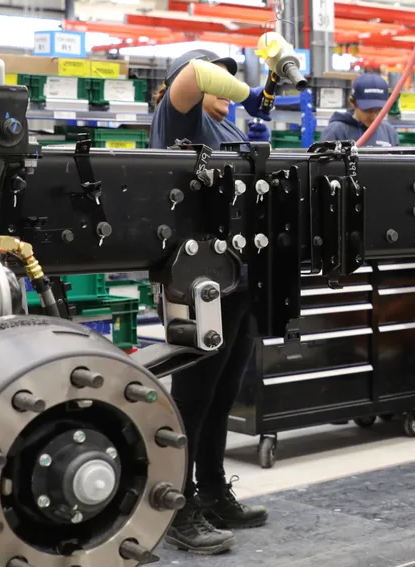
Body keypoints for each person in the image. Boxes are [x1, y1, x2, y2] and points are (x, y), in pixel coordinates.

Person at [150, 49, 272, 555]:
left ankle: (215, 491)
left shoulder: (230, 130)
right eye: (219, 78)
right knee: (193, 398)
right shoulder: (181, 117)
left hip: (235, 278)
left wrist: (263, 93)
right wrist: (253, 93)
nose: (224, 87)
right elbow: (193, 77)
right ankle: (176, 508)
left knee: (224, 392)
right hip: (193, 280)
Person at [321, 73, 401, 146]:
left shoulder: (389, 132)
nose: (374, 117)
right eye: (368, 110)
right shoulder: (336, 131)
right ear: (352, 102)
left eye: (379, 110)